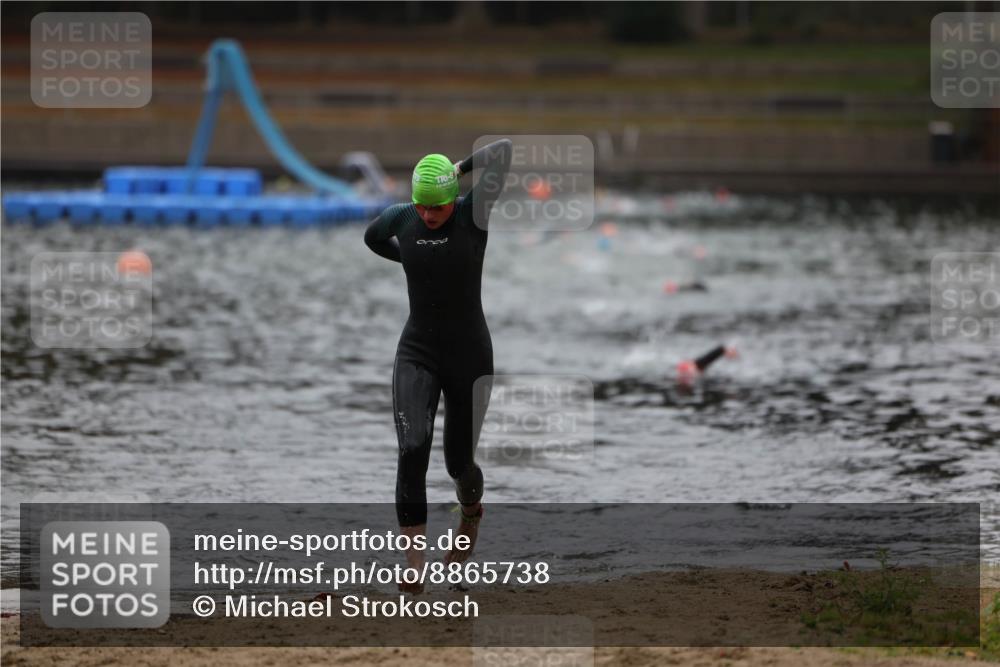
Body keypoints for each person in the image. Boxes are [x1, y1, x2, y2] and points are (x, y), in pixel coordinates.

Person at [364, 138, 513, 592]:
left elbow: (503, 150)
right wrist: (408, 257)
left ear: (452, 196)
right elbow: (372, 238)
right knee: (412, 448)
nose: (428, 215)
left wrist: (459, 168)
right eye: (422, 206)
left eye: (438, 206)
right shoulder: (401, 218)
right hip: (417, 351)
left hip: (470, 355)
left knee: (458, 464)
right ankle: (415, 567)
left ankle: (471, 513)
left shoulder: (473, 214)